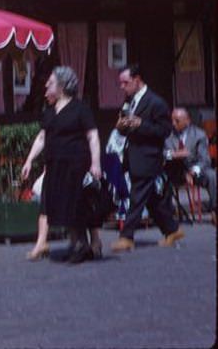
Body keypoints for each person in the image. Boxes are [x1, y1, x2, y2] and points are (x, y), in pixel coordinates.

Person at [20, 66, 101, 263]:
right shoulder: (49, 112)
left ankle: (81, 245)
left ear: (62, 86)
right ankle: (76, 245)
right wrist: (29, 160)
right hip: (54, 165)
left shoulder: (80, 109)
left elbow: (92, 136)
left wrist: (96, 163)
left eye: (51, 82)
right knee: (59, 206)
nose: (47, 85)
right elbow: (42, 138)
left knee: (75, 205)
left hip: (75, 164)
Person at [111, 64, 184, 252]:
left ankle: (126, 237)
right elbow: (127, 126)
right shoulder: (130, 100)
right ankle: (172, 229)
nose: (122, 87)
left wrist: (141, 124)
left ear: (137, 80)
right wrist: (121, 126)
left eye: (125, 83)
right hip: (133, 155)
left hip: (148, 157)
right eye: (121, 83)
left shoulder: (156, 102)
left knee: (136, 197)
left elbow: (164, 130)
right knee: (151, 198)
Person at [164, 107, 216, 225]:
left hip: (194, 169)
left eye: (177, 121)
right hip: (175, 170)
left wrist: (193, 171)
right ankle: (166, 213)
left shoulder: (199, 135)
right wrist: (173, 154)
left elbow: (204, 159)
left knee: (212, 175)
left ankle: (214, 209)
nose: (173, 124)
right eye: (172, 120)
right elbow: (161, 153)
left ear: (187, 121)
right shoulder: (168, 135)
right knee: (160, 178)